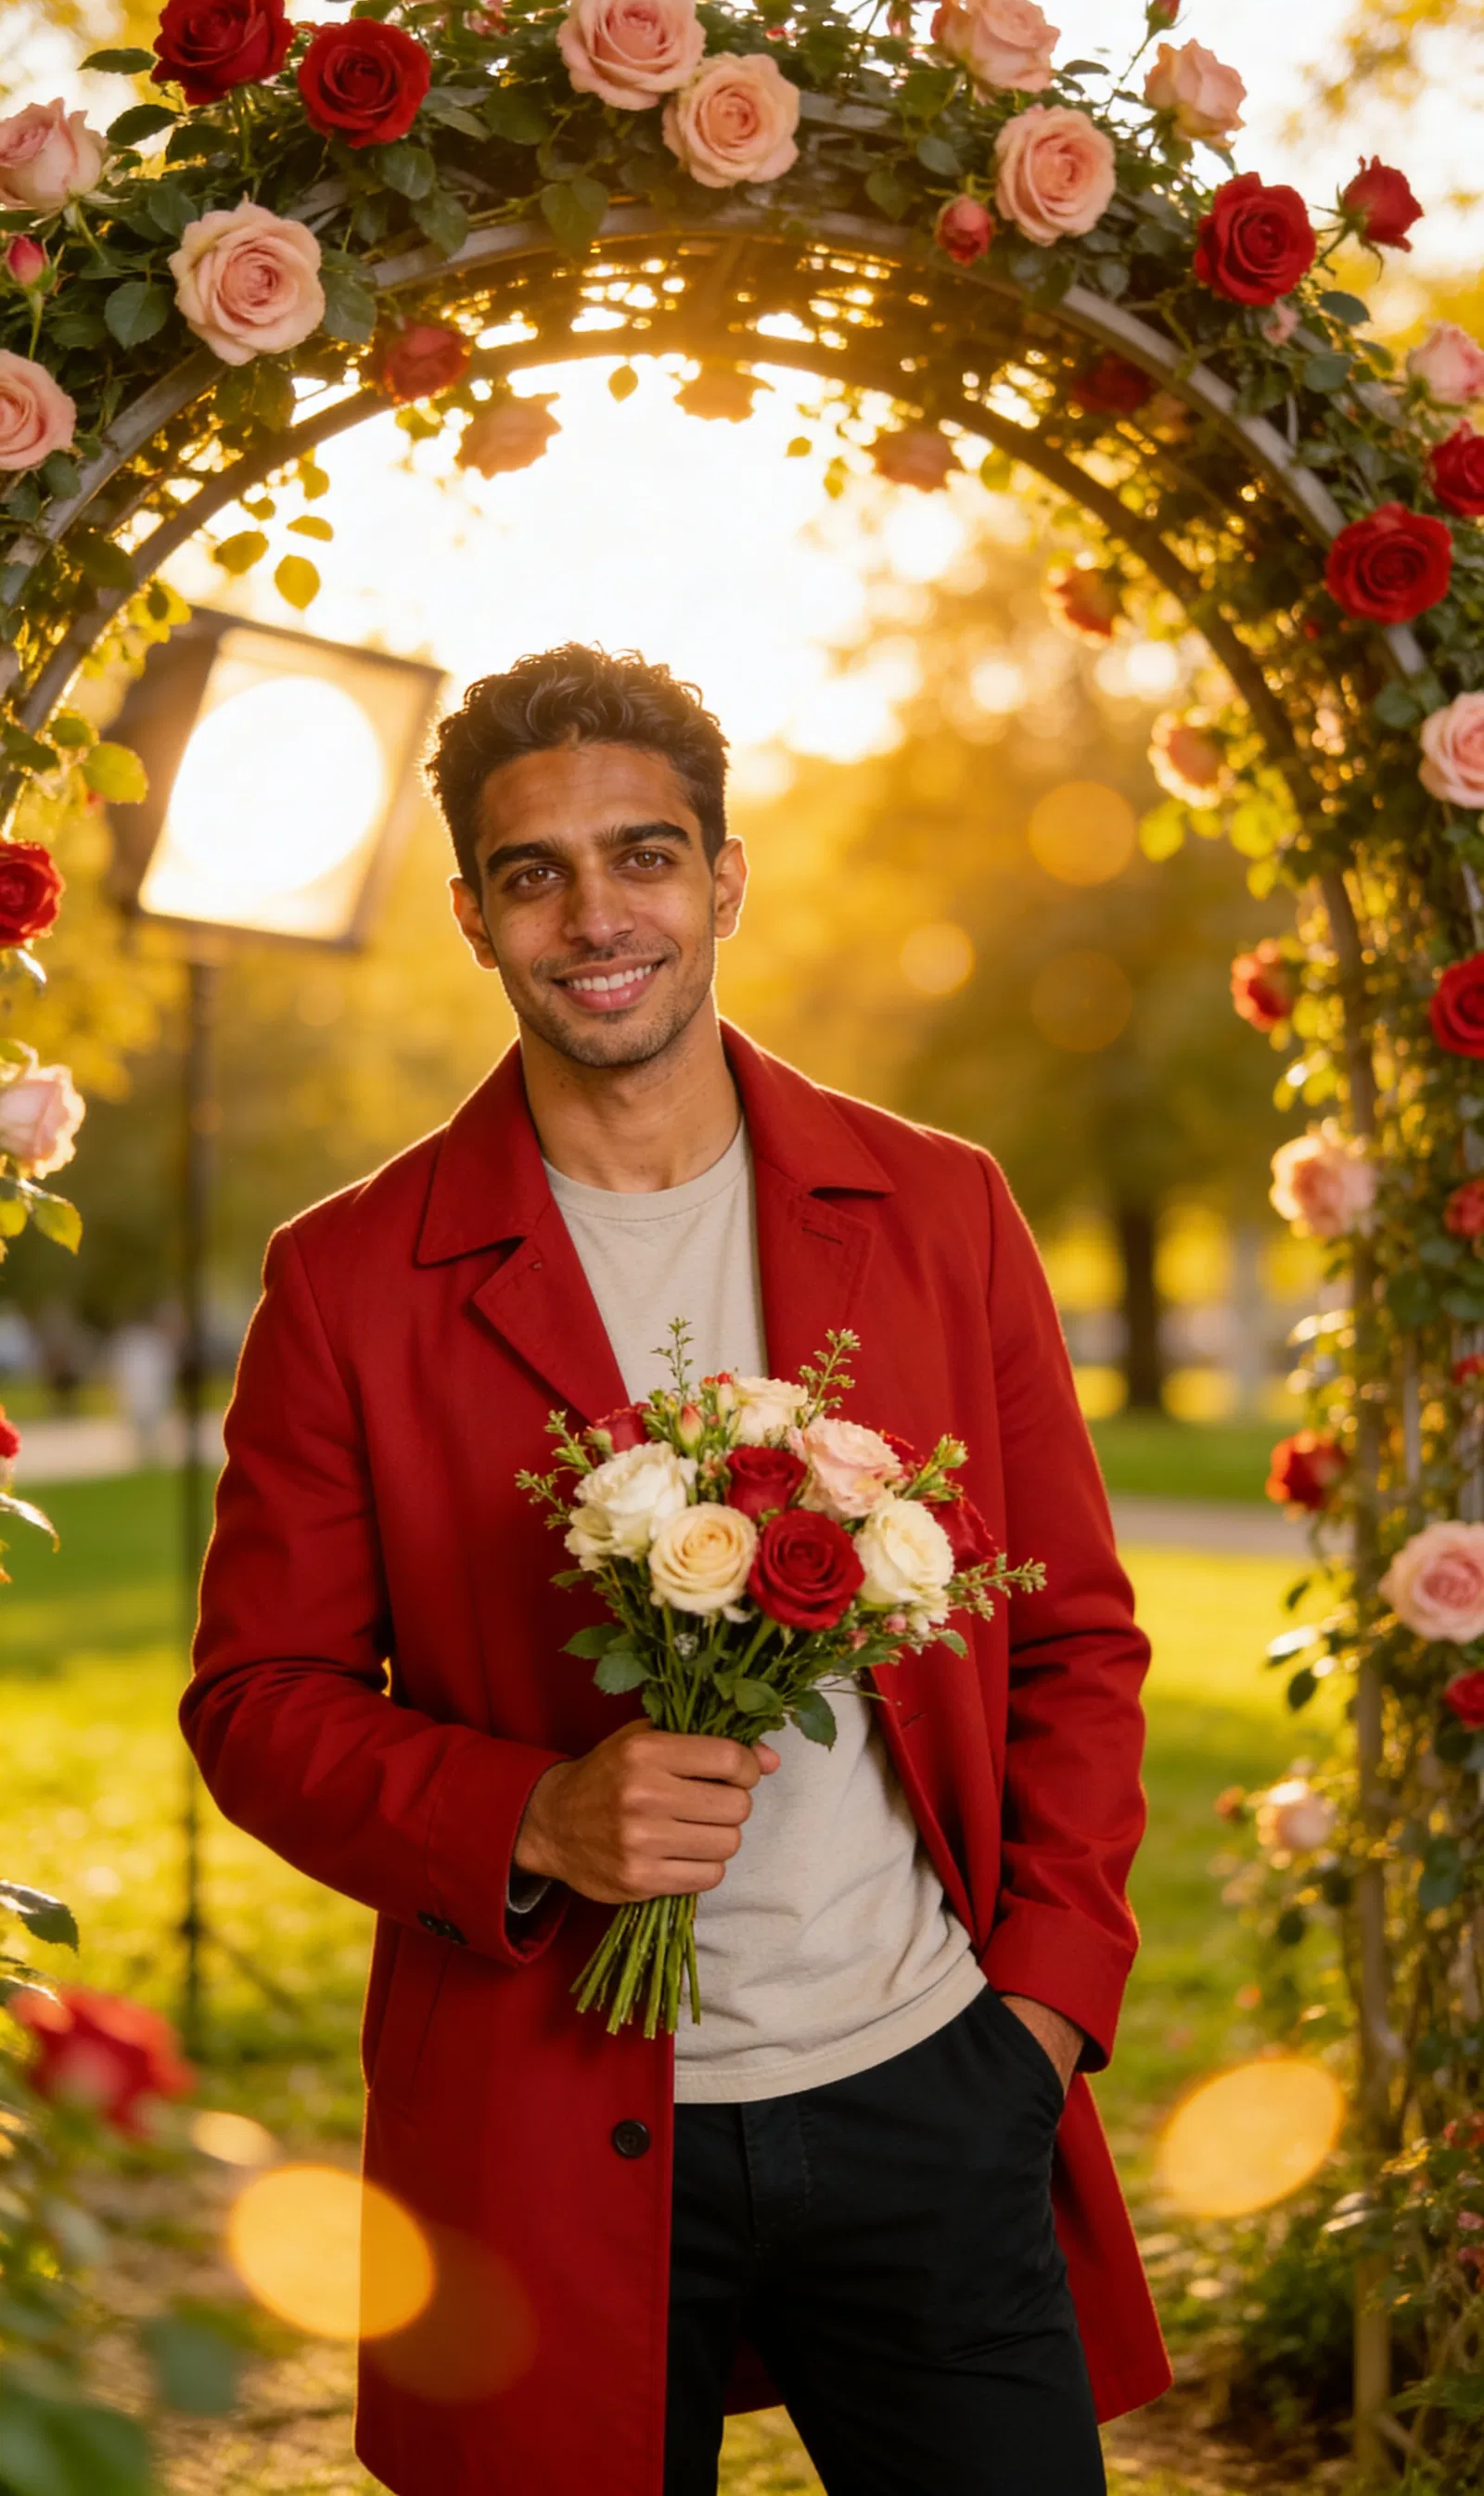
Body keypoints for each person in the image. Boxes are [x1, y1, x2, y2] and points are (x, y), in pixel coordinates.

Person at [182, 643, 1170, 2496]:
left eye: (641, 855)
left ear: (723, 879)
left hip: (925, 2084)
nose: (594, 914)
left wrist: (1032, 2014)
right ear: (472, 917)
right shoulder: (343, 1281)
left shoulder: (937, 1205)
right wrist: (535, 1814)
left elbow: (1073, 1637)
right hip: (540, 2128)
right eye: (532, 873)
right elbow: (255, 1703)